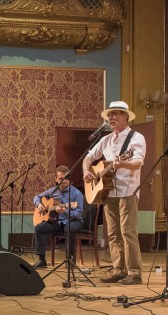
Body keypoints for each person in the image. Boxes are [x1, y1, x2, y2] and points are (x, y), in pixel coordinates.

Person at [83, 100, 146, 285]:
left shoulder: (136, 138)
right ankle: (118, 269)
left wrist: (122, 163)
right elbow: (88, 157)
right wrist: (86, 171)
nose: (111, 117)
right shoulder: (106, 139)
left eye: (115, 114)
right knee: (112, 234)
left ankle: (134, 272)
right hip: (108, 193)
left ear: (125, 116)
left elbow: (138, 162)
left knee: (128, 233)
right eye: (109, 115)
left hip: (128, 191)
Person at [32, 166, 86, 268]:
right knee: (39, 228)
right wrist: (39, 205)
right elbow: (37, 196)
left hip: (74, 221)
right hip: (56, 221)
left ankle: (70, 260)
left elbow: (78, 214)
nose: (64, 181)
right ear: (56, 179)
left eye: (66, 178)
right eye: (61, 179)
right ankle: (42, 260)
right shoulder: (53, 191)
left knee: (69, 228)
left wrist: (65, 211)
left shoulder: (76, 194)